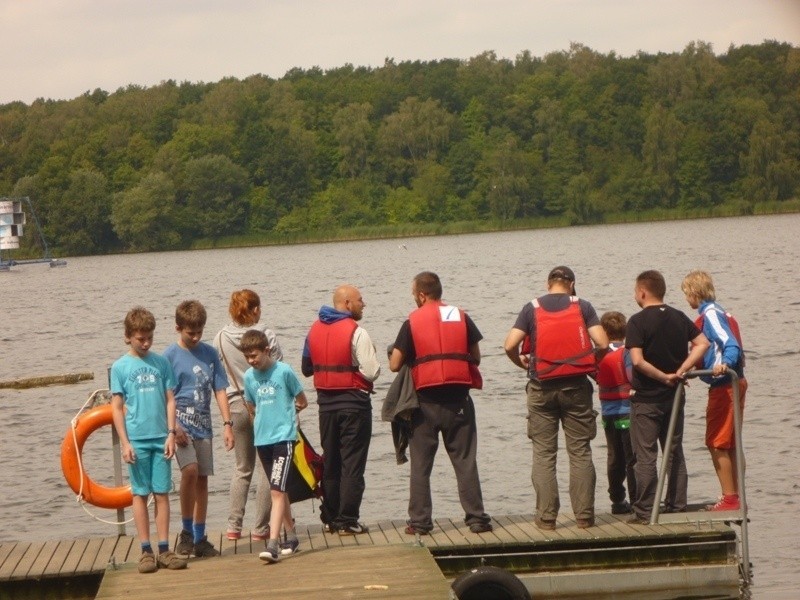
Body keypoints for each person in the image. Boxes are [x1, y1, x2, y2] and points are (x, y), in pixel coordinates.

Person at [503, 266, 609, 530]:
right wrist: (588, 363)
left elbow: (509, 344)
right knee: (580, 452)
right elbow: (603, 343)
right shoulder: (583, 306)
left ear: (548, 283)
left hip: (541, 388)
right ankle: (584, 517)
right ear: (571, 284)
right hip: (576, 388)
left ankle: (547, 519)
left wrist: (523, 365)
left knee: (543, 454)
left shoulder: (531, 308)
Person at [389, 271, 492, 535]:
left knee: (420, 465)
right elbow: (476, 357)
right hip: (458, 402)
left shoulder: (411, 322)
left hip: (424, 403)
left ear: (422, 295)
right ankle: (477, 519)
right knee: (465, 460)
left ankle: (421, 523)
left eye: (414, 294)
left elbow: (394, 364)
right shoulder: (461, 316)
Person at [625, 270, 709, 524]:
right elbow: (703, 343)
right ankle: (676, 503)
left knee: (646, 456)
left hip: (647, 398)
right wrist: (682, 370)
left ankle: (645, 511)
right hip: (674, 396)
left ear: (642, 292)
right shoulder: (679, 316)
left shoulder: (637, 322)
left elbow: (637, 361)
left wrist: (663, 376)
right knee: (674, 450)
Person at [110, 307, 187, 574]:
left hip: (160, 438)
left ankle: (165, 548)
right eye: (140, 338)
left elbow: (169, 399)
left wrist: (170, 434)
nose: (145, 343)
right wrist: (125, 442)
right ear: (128, 337)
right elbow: (117, 407)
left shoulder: (161, 363)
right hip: (137, 440)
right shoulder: (120, 367)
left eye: (150, 338)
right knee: (140, 493)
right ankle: (145, 550)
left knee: (162, 493)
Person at [301, 284, 380, 535]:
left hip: (326, 408)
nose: (363, 303)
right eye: (359, 300)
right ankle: (348, 520)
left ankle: (331, 518)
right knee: (353, 465)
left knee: (331, 462)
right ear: (347, 304)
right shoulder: (357, 332)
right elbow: (373, 372)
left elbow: (306, 368)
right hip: (354, 406)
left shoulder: (312, 331)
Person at [164, 300, 234, 557]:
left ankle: (199, 537)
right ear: (177, 328)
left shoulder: (210, 353)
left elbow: (219, 389)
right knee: (190, 471)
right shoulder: (169, 357)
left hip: (204, 425)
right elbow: (165, 397)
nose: (195, 337)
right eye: (189, 332)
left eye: (199, 332)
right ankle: (184, 532)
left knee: (202, 478)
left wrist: (227, 424)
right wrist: (174, 427)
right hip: (180, 426)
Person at [213, 289, 283, 541]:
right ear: (254, 310)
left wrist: (226, 422)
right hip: (266, 404)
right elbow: (278, 368)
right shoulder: (265, 334)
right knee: (266, 469)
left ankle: (233, 526)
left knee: (242, 468)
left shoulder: (219, 337)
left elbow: (218, 375)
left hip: (235, 405)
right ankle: (261, 529)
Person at [239, 329, 308, 562]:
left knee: (276, 491)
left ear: (266, 350)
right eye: (247, 357)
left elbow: (302, 400)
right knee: (281, 489)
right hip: (262, 440)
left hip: (283, 438)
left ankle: (273, 544)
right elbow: (251, 405)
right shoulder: (249, 377)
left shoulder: (284, 371)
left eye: (255, 355)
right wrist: (259, 420)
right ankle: (292, 536)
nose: (251, 361)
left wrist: (290, 416)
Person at [681, 270, 747, 512]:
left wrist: (725, 364)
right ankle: (736, 497)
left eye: (686, 294)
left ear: (694, 293)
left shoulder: (710, 314)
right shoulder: (720, 311)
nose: (686, 300)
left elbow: (729, 343)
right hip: (735, 383)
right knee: (730, 443)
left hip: (725, 385)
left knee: (717, 442)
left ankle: (730, 499)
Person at [596, 311, 636, 515]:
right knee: (632, 458)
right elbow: (631, 375)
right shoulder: (628, 353)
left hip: (607, 414)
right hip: (627, 412)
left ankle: (617, 500)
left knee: (614, 456)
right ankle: (637, 499)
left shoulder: (598, 354)